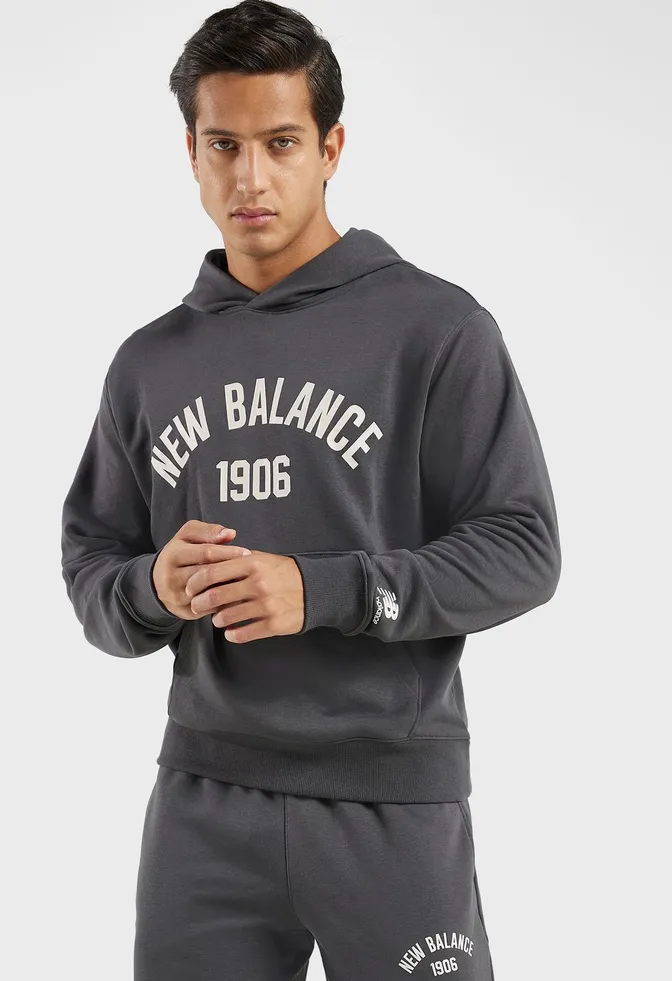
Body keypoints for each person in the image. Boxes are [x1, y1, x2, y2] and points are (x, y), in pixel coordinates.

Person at [60, 2, 561, 978]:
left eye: (281, 143)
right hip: (203, 803)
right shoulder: (150, 364)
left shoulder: (436, 330)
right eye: (224, 144)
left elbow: (523, 549)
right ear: (192, 153)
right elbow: (92, 569)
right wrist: (154, 588)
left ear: (330, 148)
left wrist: (326, 588)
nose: (251, 178)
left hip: (390, 801)